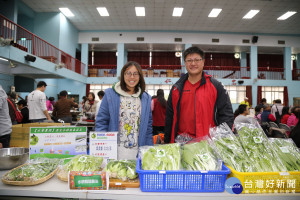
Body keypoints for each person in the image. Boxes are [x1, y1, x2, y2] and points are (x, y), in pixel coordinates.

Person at [164, 47, 233, 143]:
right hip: (182, 142)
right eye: (189, 60)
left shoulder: (216, 86)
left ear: (203, 62)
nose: (193, 64)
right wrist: (167, 143)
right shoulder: (176, 89)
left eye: (197, 60)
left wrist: (221, 141)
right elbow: (169, 119)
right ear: (185, 63)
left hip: (208, 143)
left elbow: (226, 116)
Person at [95, 61, 153, 160]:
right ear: (123, 75)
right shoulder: (110, 94)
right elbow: (101, 122)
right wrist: (103, 148)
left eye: (135, 74)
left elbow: (148, 127)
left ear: (140, 76)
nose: (132, 77)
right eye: (128, 73)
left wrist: (148, 149)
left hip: (137, 151)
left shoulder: (146, 98)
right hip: (115, 151)